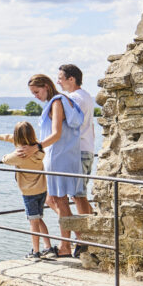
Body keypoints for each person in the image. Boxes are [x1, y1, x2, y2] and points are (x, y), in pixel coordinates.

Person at [17, 74, 84, 256]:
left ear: (47, 86)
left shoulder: (56, 103)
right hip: (65, 155)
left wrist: (35, 147)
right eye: (33, 93)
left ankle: (67, 245)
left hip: (58, 157)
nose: (36, 96)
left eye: (37, 92)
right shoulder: (60, 102)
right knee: (55, 200)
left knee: (60, 201)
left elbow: (56, 134)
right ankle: (78, 238)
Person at [0, 121, 56, 259]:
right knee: (39, 219)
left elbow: (6, 160)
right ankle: (48, 247)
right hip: (42, 189)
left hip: (29, 193)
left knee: (33, 222)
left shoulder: (20, 155)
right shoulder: (38, 147)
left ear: (18, 138)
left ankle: (35, 252)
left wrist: (9, 153)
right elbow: (10, 137)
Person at [57, 64, 95, 220]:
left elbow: (69, 125)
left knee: (78, 195)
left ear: (71, 79)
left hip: (77, 150)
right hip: (86, 148)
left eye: (60, 78)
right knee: (78, 195)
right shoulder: (86, 96)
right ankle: (91, 229)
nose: (58, 82)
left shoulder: (74, 98)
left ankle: (86, 237)